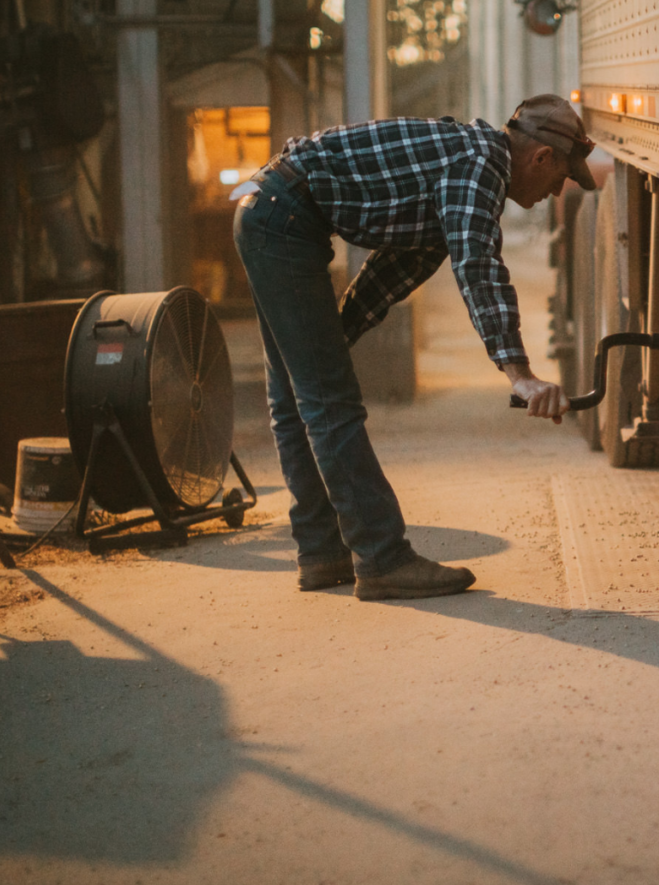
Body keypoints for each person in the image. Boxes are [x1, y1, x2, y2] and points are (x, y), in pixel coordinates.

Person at [232, 94, 591, 600]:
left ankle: (323, 553)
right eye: (560, 179)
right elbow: (478, 266)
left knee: (299, 395)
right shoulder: (479, 167)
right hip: (282, 218)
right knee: (328, 402)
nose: (557, 192)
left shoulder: (459, 164)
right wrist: (520, 374)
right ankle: (382, 559)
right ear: (541, 158)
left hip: (271, 210)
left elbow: (391, 272)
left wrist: (336, 336)